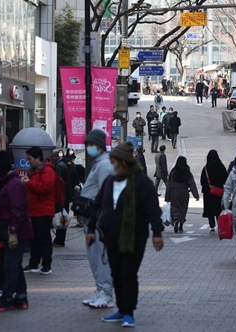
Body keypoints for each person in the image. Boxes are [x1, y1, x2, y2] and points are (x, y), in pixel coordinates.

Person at [86, 142, 164, 328]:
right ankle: (121, 309)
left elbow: (153, 209)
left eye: (115, 163)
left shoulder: (142, 182)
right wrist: (90, 229)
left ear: (125, 162)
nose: (114, 166)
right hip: (111, 236)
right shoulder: (110, 182)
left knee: (128, 274)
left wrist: (157, 233)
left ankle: (129, 312)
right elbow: (98, 206)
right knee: (116, 273)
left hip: (134, 237)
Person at [0, 151, 34, 312]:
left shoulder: (12, 185)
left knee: (11, 267)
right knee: (15, 266)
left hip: (16, 232)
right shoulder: (8, 183)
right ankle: (21, 296)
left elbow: (17, 210)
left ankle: (6, 298)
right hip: (13, 230)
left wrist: (13, 232)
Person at [78, 129, 115, 309]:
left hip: (98, 221)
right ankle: (100, 290)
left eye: (91, 144)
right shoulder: (98, 163)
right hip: (91, 219)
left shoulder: (104, 165)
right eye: (87, 144)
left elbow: (105, 194)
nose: (89, 148)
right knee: (94, 258)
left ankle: (106, 294)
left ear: (100, 145)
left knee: (100, 258)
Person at [22, 146, 57, 275]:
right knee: (34, 239)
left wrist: (29, 184)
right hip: (33, 210)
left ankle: (46, 264)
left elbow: (46, 188)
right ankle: (34, 263)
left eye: (30, 159)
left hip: (43, 210)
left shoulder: (47, 171)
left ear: (38, 158)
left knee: (43, 238)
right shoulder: (32, 171)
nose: (28, 161)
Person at [165, 156, 199, 233]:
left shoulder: (173, 172)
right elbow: (192, 184)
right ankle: (181, 225)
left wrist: (167, 197)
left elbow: (169, 184)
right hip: (184, 192)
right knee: (183, 208)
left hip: (174, 192)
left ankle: (176, 218)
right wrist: (196, 195)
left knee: (175, 207)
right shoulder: (187, 172)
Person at [200, 150, 227, 233]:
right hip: (218, 192)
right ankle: (219, 222)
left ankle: (212, 226)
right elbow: (226, 178)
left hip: (208, 192)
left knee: (210, 209)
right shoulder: (221, 167)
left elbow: (202, 181)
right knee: (218, 208)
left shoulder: (205, 169)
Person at [52, 150, 71, 247]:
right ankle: (60, 239)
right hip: (65, 195)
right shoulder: (62, 164)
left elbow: (58, 182)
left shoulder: (58, 166)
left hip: (61, 196)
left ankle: (59, 240)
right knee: (62, 216)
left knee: (60, 217)